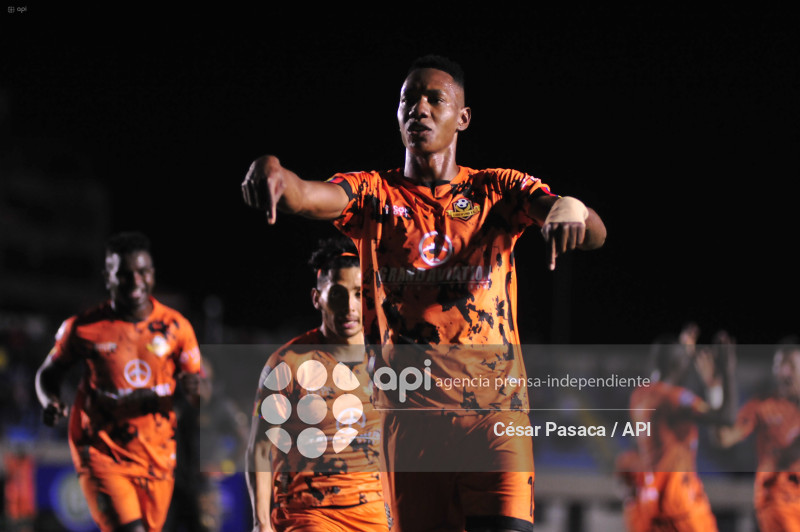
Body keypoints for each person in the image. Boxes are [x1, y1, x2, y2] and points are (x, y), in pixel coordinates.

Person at [241, 55, 606, 532]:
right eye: (408, 100)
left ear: (463, 118)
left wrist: (570, 209)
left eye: (435, 99)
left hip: (493, 416)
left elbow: (589, 227)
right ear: (396, 116)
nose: (420, 109)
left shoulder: (495, 190)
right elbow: (305, 195)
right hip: (409, 423)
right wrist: (271, 169)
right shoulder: (374, 195)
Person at [35, 231, 205, 532]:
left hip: (157, 454)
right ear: (108, 277)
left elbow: (198, 389)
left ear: (152, 273)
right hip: (102, 450)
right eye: (124, 274)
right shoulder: (83, 328)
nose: (135, 281)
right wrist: (49, 400)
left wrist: (194, 390)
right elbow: (48, 373)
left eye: (142, 271)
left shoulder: (177, 328)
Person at [247, 237, 386, 532]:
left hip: (378, 515)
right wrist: (261, 523)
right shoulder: (288, 364)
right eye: (337, 294)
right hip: (309, 515)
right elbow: (260, 449)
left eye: (360, 294)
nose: (350, 306)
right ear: (316, 298)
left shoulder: (390, 358)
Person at [622, 326, 736, 532]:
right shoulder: (673, 398)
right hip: (680, 501)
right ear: (676, 364)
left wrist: (683, 353)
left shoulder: (639, 395)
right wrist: (727, 371)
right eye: (685, 360)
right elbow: (725, 417)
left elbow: (672, 381)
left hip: (651, 500)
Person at [713, 338, 800, 531]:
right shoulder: (763, 405)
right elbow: (723, 437)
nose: (784, 372)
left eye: (791, 366)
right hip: (779, 499)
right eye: (779, 365)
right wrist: (720, 386)